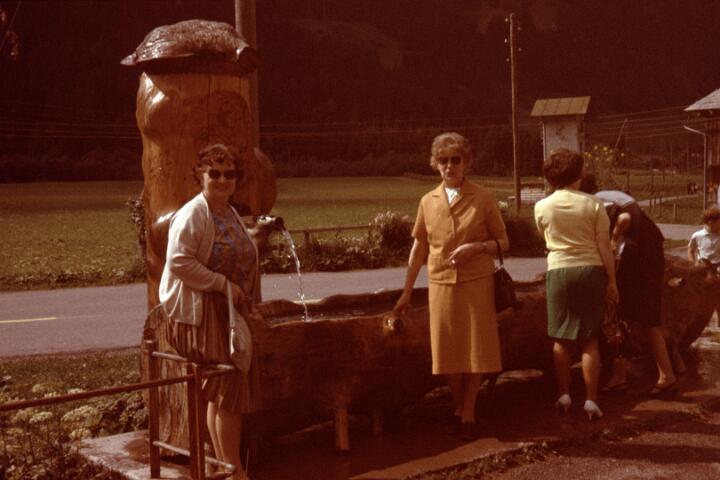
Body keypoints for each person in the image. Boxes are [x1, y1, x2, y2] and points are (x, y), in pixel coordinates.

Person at [394, 132, 509, 441]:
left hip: (477, 282)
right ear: (435, 164)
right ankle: (459, 406)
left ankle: (468, 412)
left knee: (476, 350)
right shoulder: (427, 201)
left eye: (455, 160)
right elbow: (419, 248)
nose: (449, 166)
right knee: (446, 352)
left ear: (466, 162)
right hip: (441, 283)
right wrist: (406, 292)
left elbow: (503, 241)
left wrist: (477, 248)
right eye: (443, 160)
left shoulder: (483, 197)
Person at [159, 144, 260, 480]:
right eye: (214, 173)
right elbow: (178, 261)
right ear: (200, 176)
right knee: (230, 388)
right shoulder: (193, 213)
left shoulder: (227, 211)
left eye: (229, 174)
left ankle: (223, 465)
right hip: (200, 314)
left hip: (223, 309)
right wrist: (221, 284)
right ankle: (236, 471)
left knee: (220, 393)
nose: (222, 180)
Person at [534, 149, 618, 421]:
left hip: (559, 269)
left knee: (561, 338)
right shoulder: (594, 204)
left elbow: (544, 236)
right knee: (590, 338)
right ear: (577, 174)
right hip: (591, 270)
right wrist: (612, 280)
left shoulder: (542, 206)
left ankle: (564, 394)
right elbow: (605, 247)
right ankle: (591, 400)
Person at [580, 174, 678, 397]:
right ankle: (665, 375)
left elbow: (624, 219)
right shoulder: (609, 195)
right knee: (646, 319)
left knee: (618, 313)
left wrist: (613, 239)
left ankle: (621, 376)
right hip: (649, 252)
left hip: (637, 255)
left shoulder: (597, 201)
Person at [688, 205, 720, 275]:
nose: (711, 224)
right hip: (703, 265)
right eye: (708, 222)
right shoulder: (697, 235)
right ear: (707, 223)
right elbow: (691, 250)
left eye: (716, 221)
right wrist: (693, 263)